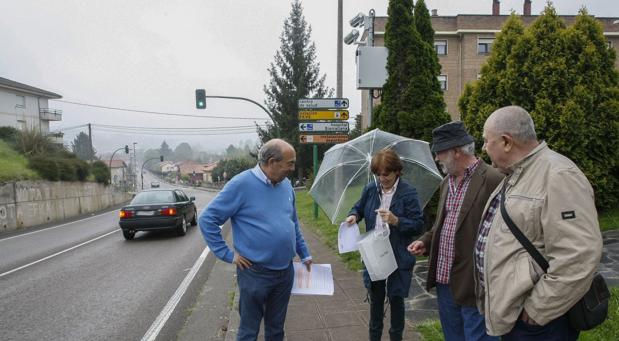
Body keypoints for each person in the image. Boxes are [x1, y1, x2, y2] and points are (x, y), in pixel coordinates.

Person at [475, 105, 602, 340]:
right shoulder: (517, 173)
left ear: (506, 142)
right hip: (518, 316)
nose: (483, 148)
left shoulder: (558, 175)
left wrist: (538, 309)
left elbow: (579, 254)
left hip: (540, 323)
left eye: (486, 140)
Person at [199, 139, 312, 341]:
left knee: (276, 330)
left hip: (285, 272)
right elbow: (207, 219)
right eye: (290, 163)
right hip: (255, 273)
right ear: (271, 161)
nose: (293, 168)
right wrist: (228, 254)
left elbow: (292, 222)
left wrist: (304, 253)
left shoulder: (286, 185)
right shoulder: (241, 184)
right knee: (249, 332)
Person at [408, 121, 502, 341]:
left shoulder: (492, 180)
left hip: (474, 283)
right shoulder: (446, 183)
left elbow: (501, 235)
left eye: (440, 152)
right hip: (444, 281)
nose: (437, 157)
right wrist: (426, 241)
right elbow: (443, 225)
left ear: (457, 151)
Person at [345, 149, 424, 341]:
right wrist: (354, 215)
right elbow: (359, 207)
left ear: (397, 170)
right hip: (375, 253)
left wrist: (397, 221)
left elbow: (419, 224)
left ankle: (396, 337)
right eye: (378, 174)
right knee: (376, 300)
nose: (382, 178)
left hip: (398, 254)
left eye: (386, 173)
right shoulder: (371, 189)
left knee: (396, 299)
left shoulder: (408, 192)